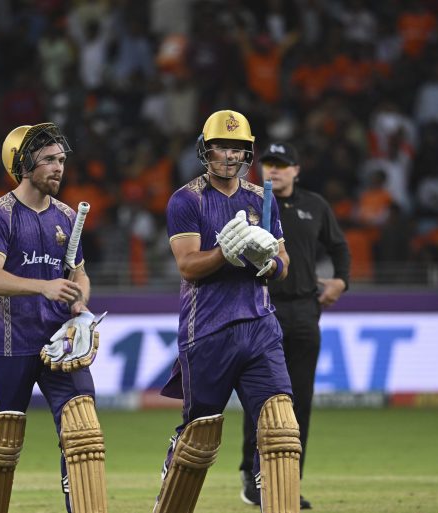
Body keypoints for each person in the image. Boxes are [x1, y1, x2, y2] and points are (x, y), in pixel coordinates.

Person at [153, 110, 301, 513]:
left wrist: (270, 265)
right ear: (206, 150)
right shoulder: (186, 199)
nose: (230, 156)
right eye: (222, 146)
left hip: (260, 327)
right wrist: (225, 253)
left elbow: (283, 262)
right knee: (198, 439)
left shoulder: (262, 199)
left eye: (238, 148)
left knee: (282, 430)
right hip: (208, 332)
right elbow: (187, 266)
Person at [0, 122, 108, 513]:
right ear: (23, 164)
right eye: (48, 160)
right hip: (8, 344)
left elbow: (79, 274)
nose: (58, 167)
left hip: (59, 344)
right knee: (2, 445)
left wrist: (81, 301)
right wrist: (44, 286)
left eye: (61, 159)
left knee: (84, 432)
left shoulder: (66, 215)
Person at [239, 141, 351, 510]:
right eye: (269, 163)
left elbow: (339, 248)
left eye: (282, 164)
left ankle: (288, 482)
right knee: (258, 396)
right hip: (262, 309)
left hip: (305, 311)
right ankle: (252, 478)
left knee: (299, 400)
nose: (275, 170)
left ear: (296, 170)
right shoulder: (251, 203)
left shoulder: (315, 206)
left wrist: (341, 281)